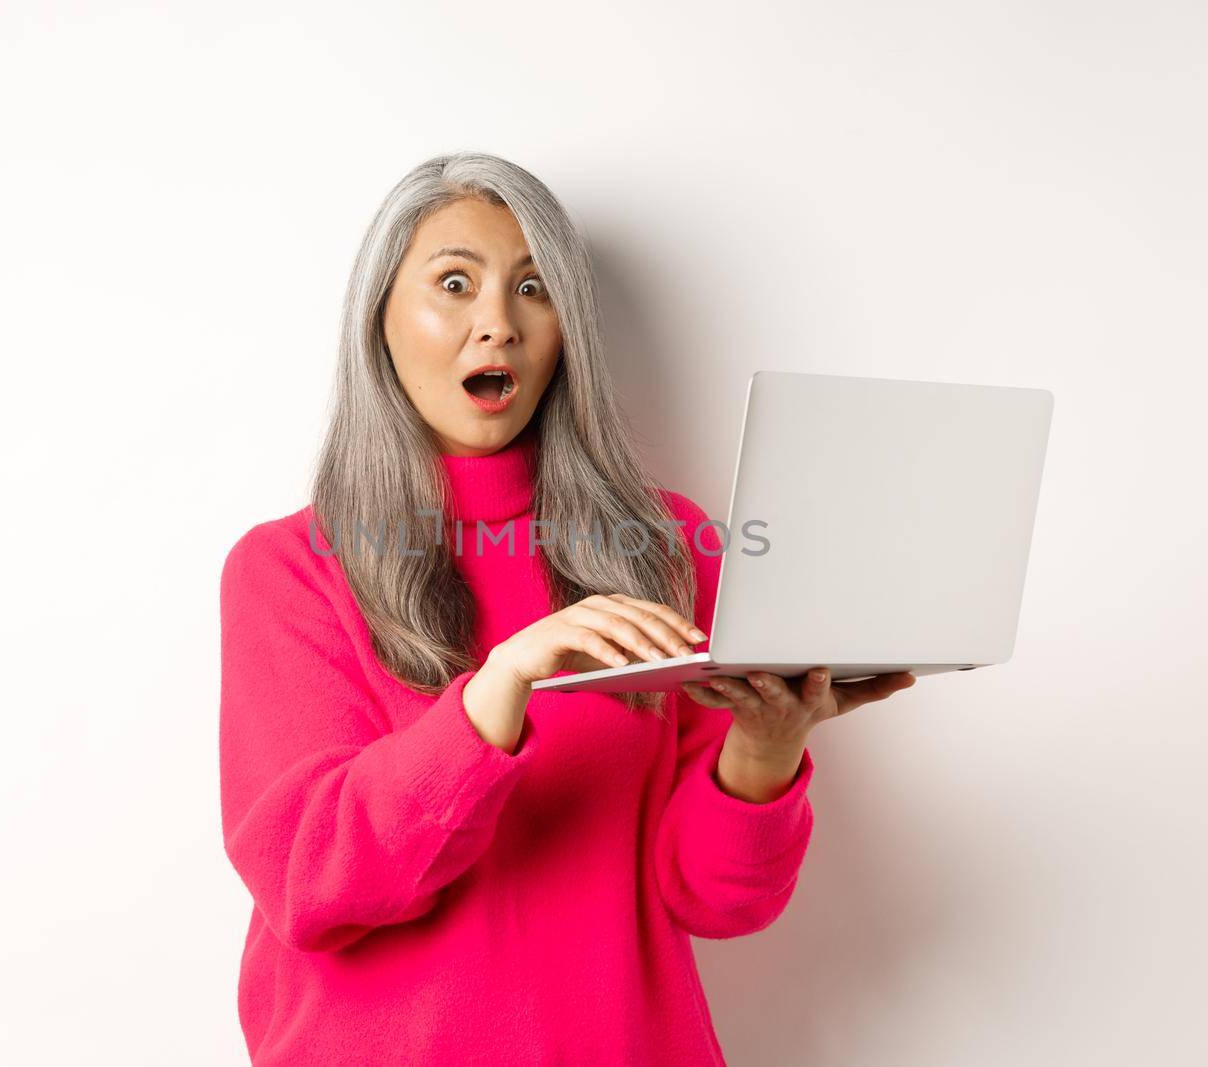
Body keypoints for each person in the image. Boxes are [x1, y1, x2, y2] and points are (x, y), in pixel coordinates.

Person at [218, 151, 917, 1065]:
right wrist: (498, 686)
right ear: (379, 315)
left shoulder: (668, 547)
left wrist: (766, 746)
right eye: (455, 284)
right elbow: (309, 879)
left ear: (568, 330)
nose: (497, 325)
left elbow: (715, 900)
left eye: (534, 288)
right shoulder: (290, 569)